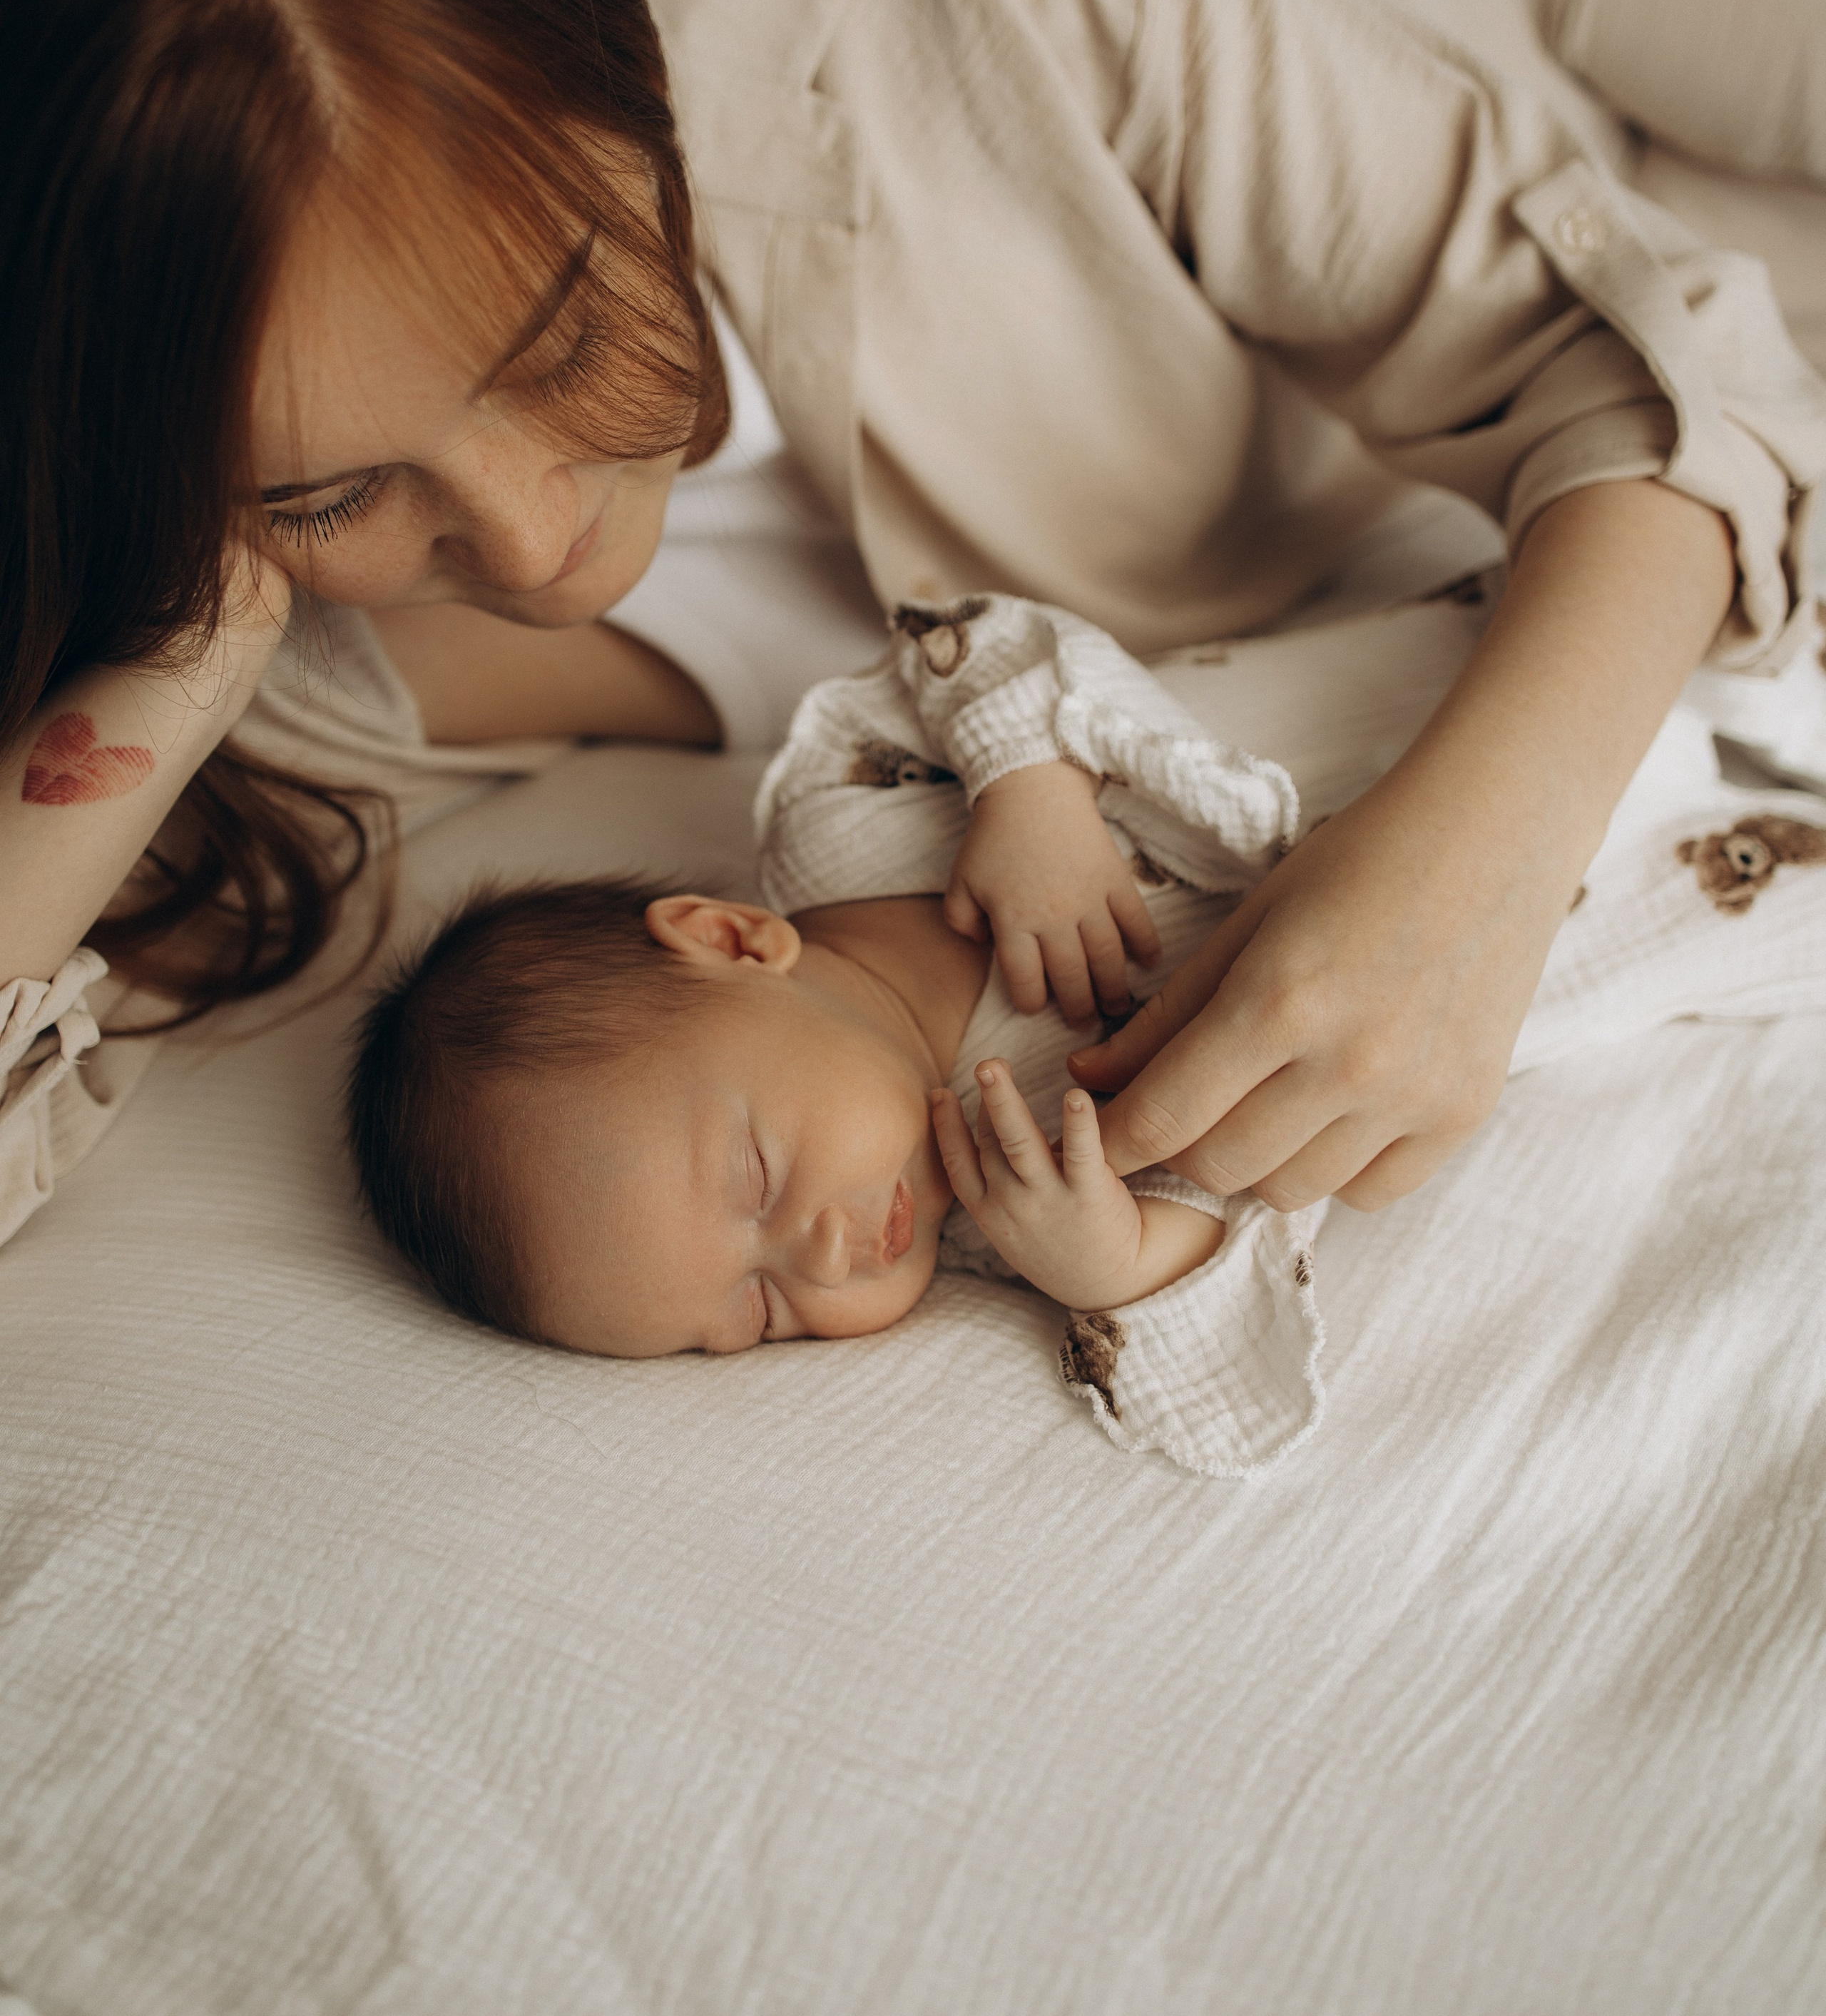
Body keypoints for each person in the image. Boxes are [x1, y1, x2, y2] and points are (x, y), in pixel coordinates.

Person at [6, 0, 1826, 1252]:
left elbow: (1623, 354)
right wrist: (190, 582)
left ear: (625, 64)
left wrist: (1469, 887)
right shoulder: (266, 671)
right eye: (325, 491)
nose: (533, 539)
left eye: (561, 333)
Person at [345, 589, 1826, 1480]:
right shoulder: (1022, 1195)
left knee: (1741, 619)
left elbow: (961, 636)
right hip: (1602, 897)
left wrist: (1022, 789)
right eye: (751, 1315)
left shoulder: (846, 816)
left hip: (1466, 690)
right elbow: (1240, 1321)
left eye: (751, 1177)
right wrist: (1112, 1262)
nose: (815, 1252)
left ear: (731, 943)